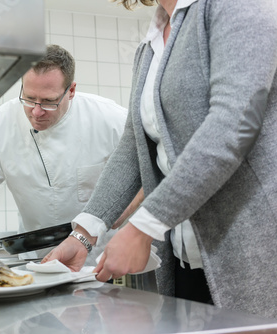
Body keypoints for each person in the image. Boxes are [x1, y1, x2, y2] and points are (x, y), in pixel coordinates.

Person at [43, 0, 277, 319]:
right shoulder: (153, 40)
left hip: (253, 253)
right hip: (187, 256)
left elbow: (233, 124)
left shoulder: (236, 6)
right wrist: (83, 232)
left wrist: (143, 226)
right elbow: (134, 142)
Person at [0, 44, 129, 259]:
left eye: (48, 101)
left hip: (98, 258)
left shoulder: (111, 120)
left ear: (71, 91)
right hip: (35, 258)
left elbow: (146, 175)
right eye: (28, 98)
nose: (36, 112)